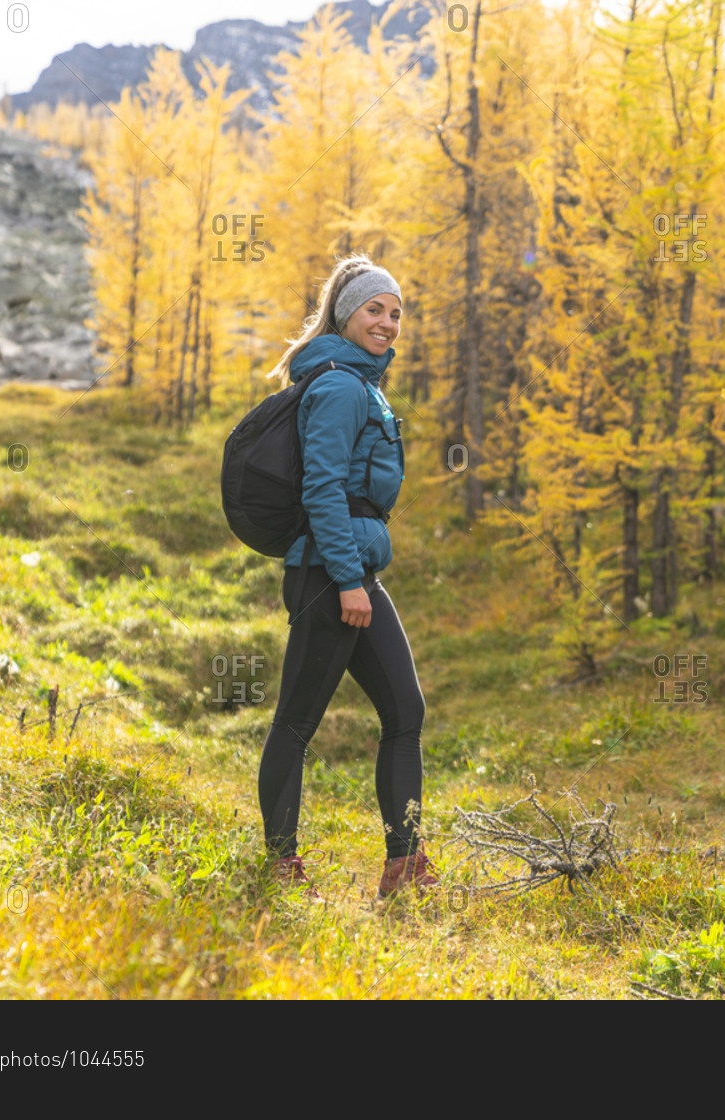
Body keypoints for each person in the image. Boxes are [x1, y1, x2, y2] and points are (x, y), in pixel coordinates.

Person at [257, 252, 434, 900]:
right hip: (331, 576)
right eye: (374, 309)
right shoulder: (337, 386)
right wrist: (349, 582)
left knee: (405, 710)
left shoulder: (362, 386)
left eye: (396, 313)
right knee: (297, 722)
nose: (387, 322)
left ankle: (403, 864)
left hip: (353, 569)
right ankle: (278, 863)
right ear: (345, 313)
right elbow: (323, 490)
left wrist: (357, 575)